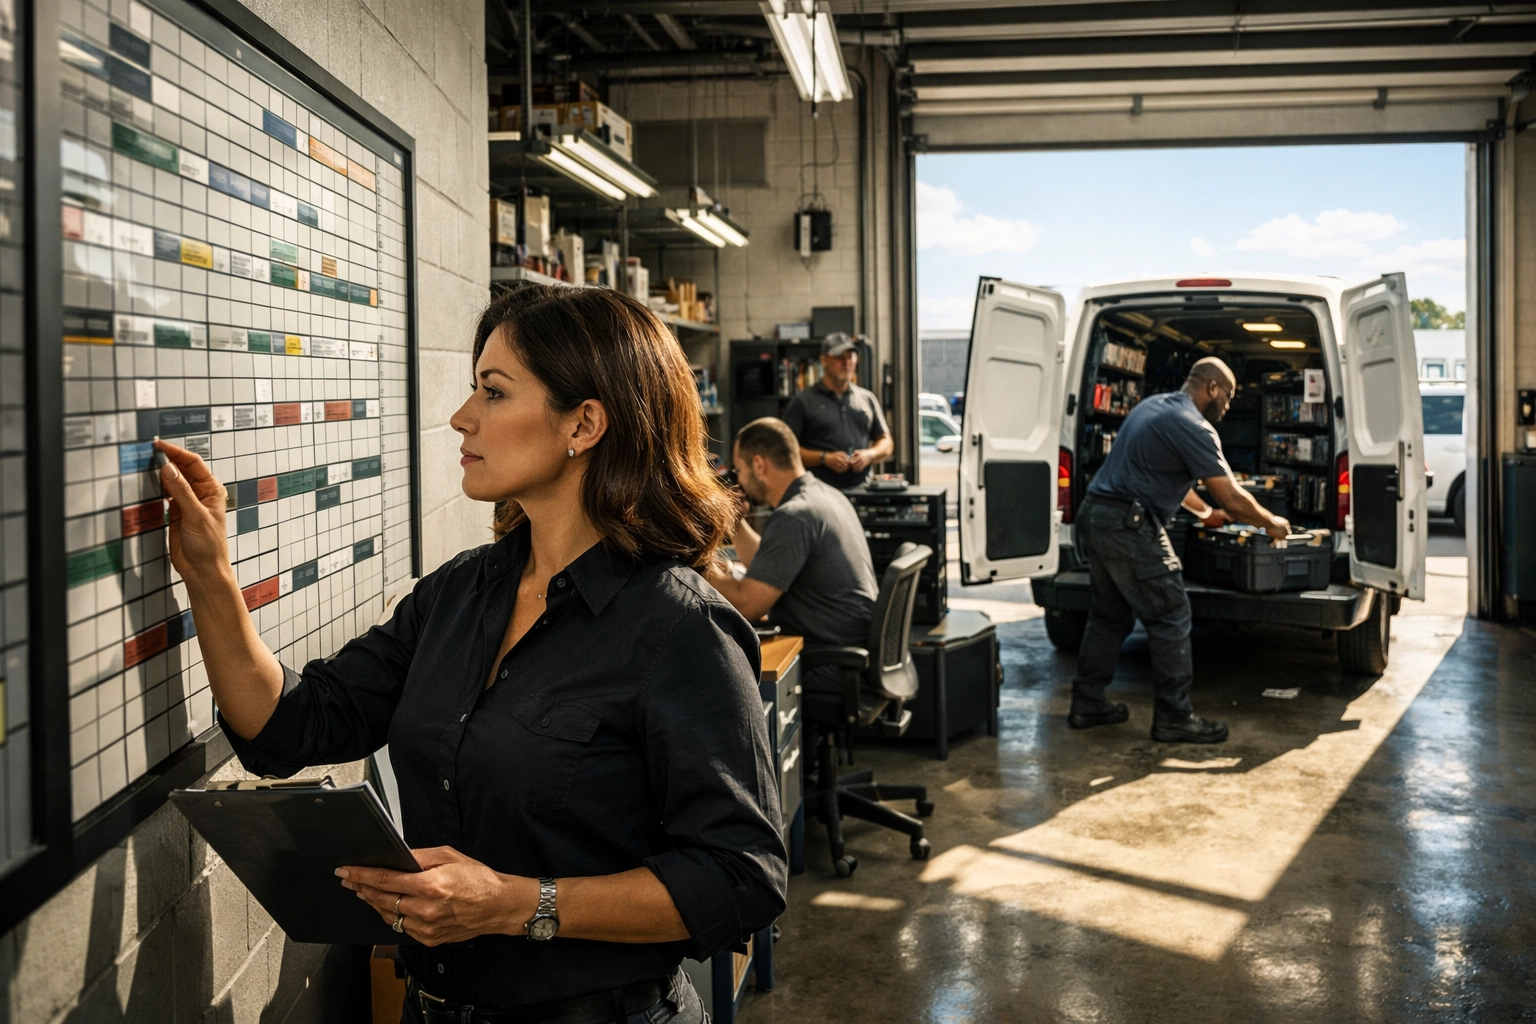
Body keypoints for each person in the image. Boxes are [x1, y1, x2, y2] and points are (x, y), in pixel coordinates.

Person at [154, 284, 786, 1023]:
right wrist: (209, 576)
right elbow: (288, 727)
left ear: (583, 424)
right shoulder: (456, 596)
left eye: (493, 391)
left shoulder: (679, 628)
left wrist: (520, 905)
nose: (462, 417)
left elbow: (740, 876)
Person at [1070, 357, 1291, 745]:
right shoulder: (1195, 426)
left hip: (1096, 515)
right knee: (1170, 613)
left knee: (1109, 614)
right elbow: (1233, 498)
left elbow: (1176, 481)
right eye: (1229, 394)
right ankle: (1174, 716)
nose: (1229, 404)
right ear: (1211, 388)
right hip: (1128, 523)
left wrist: (1206, 514)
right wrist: (1272, 522)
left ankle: (1087, 703)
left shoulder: (1153, 407)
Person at [705, 418, 878, 686]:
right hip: (852, 652)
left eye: (739, 470)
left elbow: (746, 604)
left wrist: (692, 560)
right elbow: (772, 565)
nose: (738, 480)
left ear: (760, 465)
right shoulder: (826, 496)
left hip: (828, 663)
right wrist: (735, 522)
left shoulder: (795, 516)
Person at [782, 332, 894, 490]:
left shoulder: (867, 399)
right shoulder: (802, 401)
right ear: (823, 360)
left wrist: (870, 454)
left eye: (851, 356)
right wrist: (823, 458)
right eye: (839, 357)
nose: (847, 362)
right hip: (818, 494)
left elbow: (887, 442)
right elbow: (786, 450)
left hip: (862, 492)